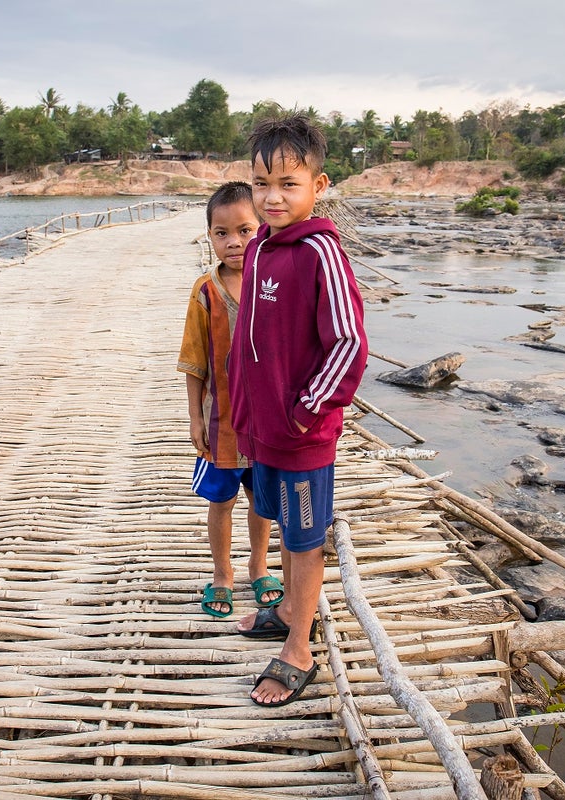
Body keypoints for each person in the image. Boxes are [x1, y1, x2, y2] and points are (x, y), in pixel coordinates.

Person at [230, 113, 368, 707]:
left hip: (301, 434)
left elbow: (348, 342)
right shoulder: (259, 246)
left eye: (289, 183)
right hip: (263, 430)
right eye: (262, 184)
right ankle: (288, 607)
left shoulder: (319, 253)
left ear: (320, 184)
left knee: (305, 536)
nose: (273, 197)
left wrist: (307, 409)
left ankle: (299, 649)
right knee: (283, 523)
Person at [178, 181, 283, 619]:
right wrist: (194, 419)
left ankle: (259, 567)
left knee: (262, 501)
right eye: (222, 233)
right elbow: (194, 361)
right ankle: (222, 574)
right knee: (220, 502)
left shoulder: (274, 284)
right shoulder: (206, 292)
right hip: (221, 424)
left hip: (267, 424)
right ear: (210, 236)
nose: (234, 241)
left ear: (262, 227)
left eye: (244, 229)